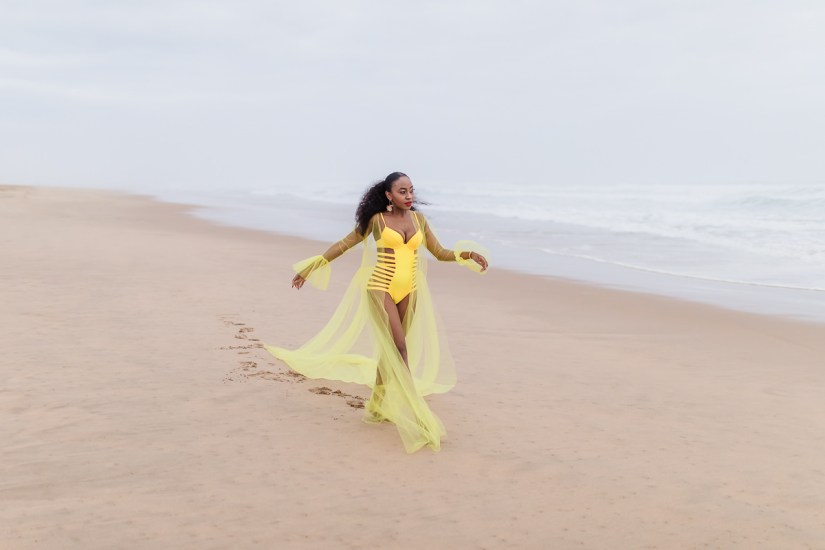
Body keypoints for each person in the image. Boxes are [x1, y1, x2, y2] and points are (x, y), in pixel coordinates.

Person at [264, 172, 489, 453]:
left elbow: (440, 252)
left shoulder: (419, 220)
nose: (409, 197)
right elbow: (345, 244)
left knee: (391, 352)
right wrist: (312, 267)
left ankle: (378, 405)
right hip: (380, 286)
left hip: (410, 289)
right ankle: (417, 413)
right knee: (400, 347)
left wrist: (467, 255)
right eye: (402, 192)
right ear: (388, 195)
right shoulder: (377, 221)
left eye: (411, 191)